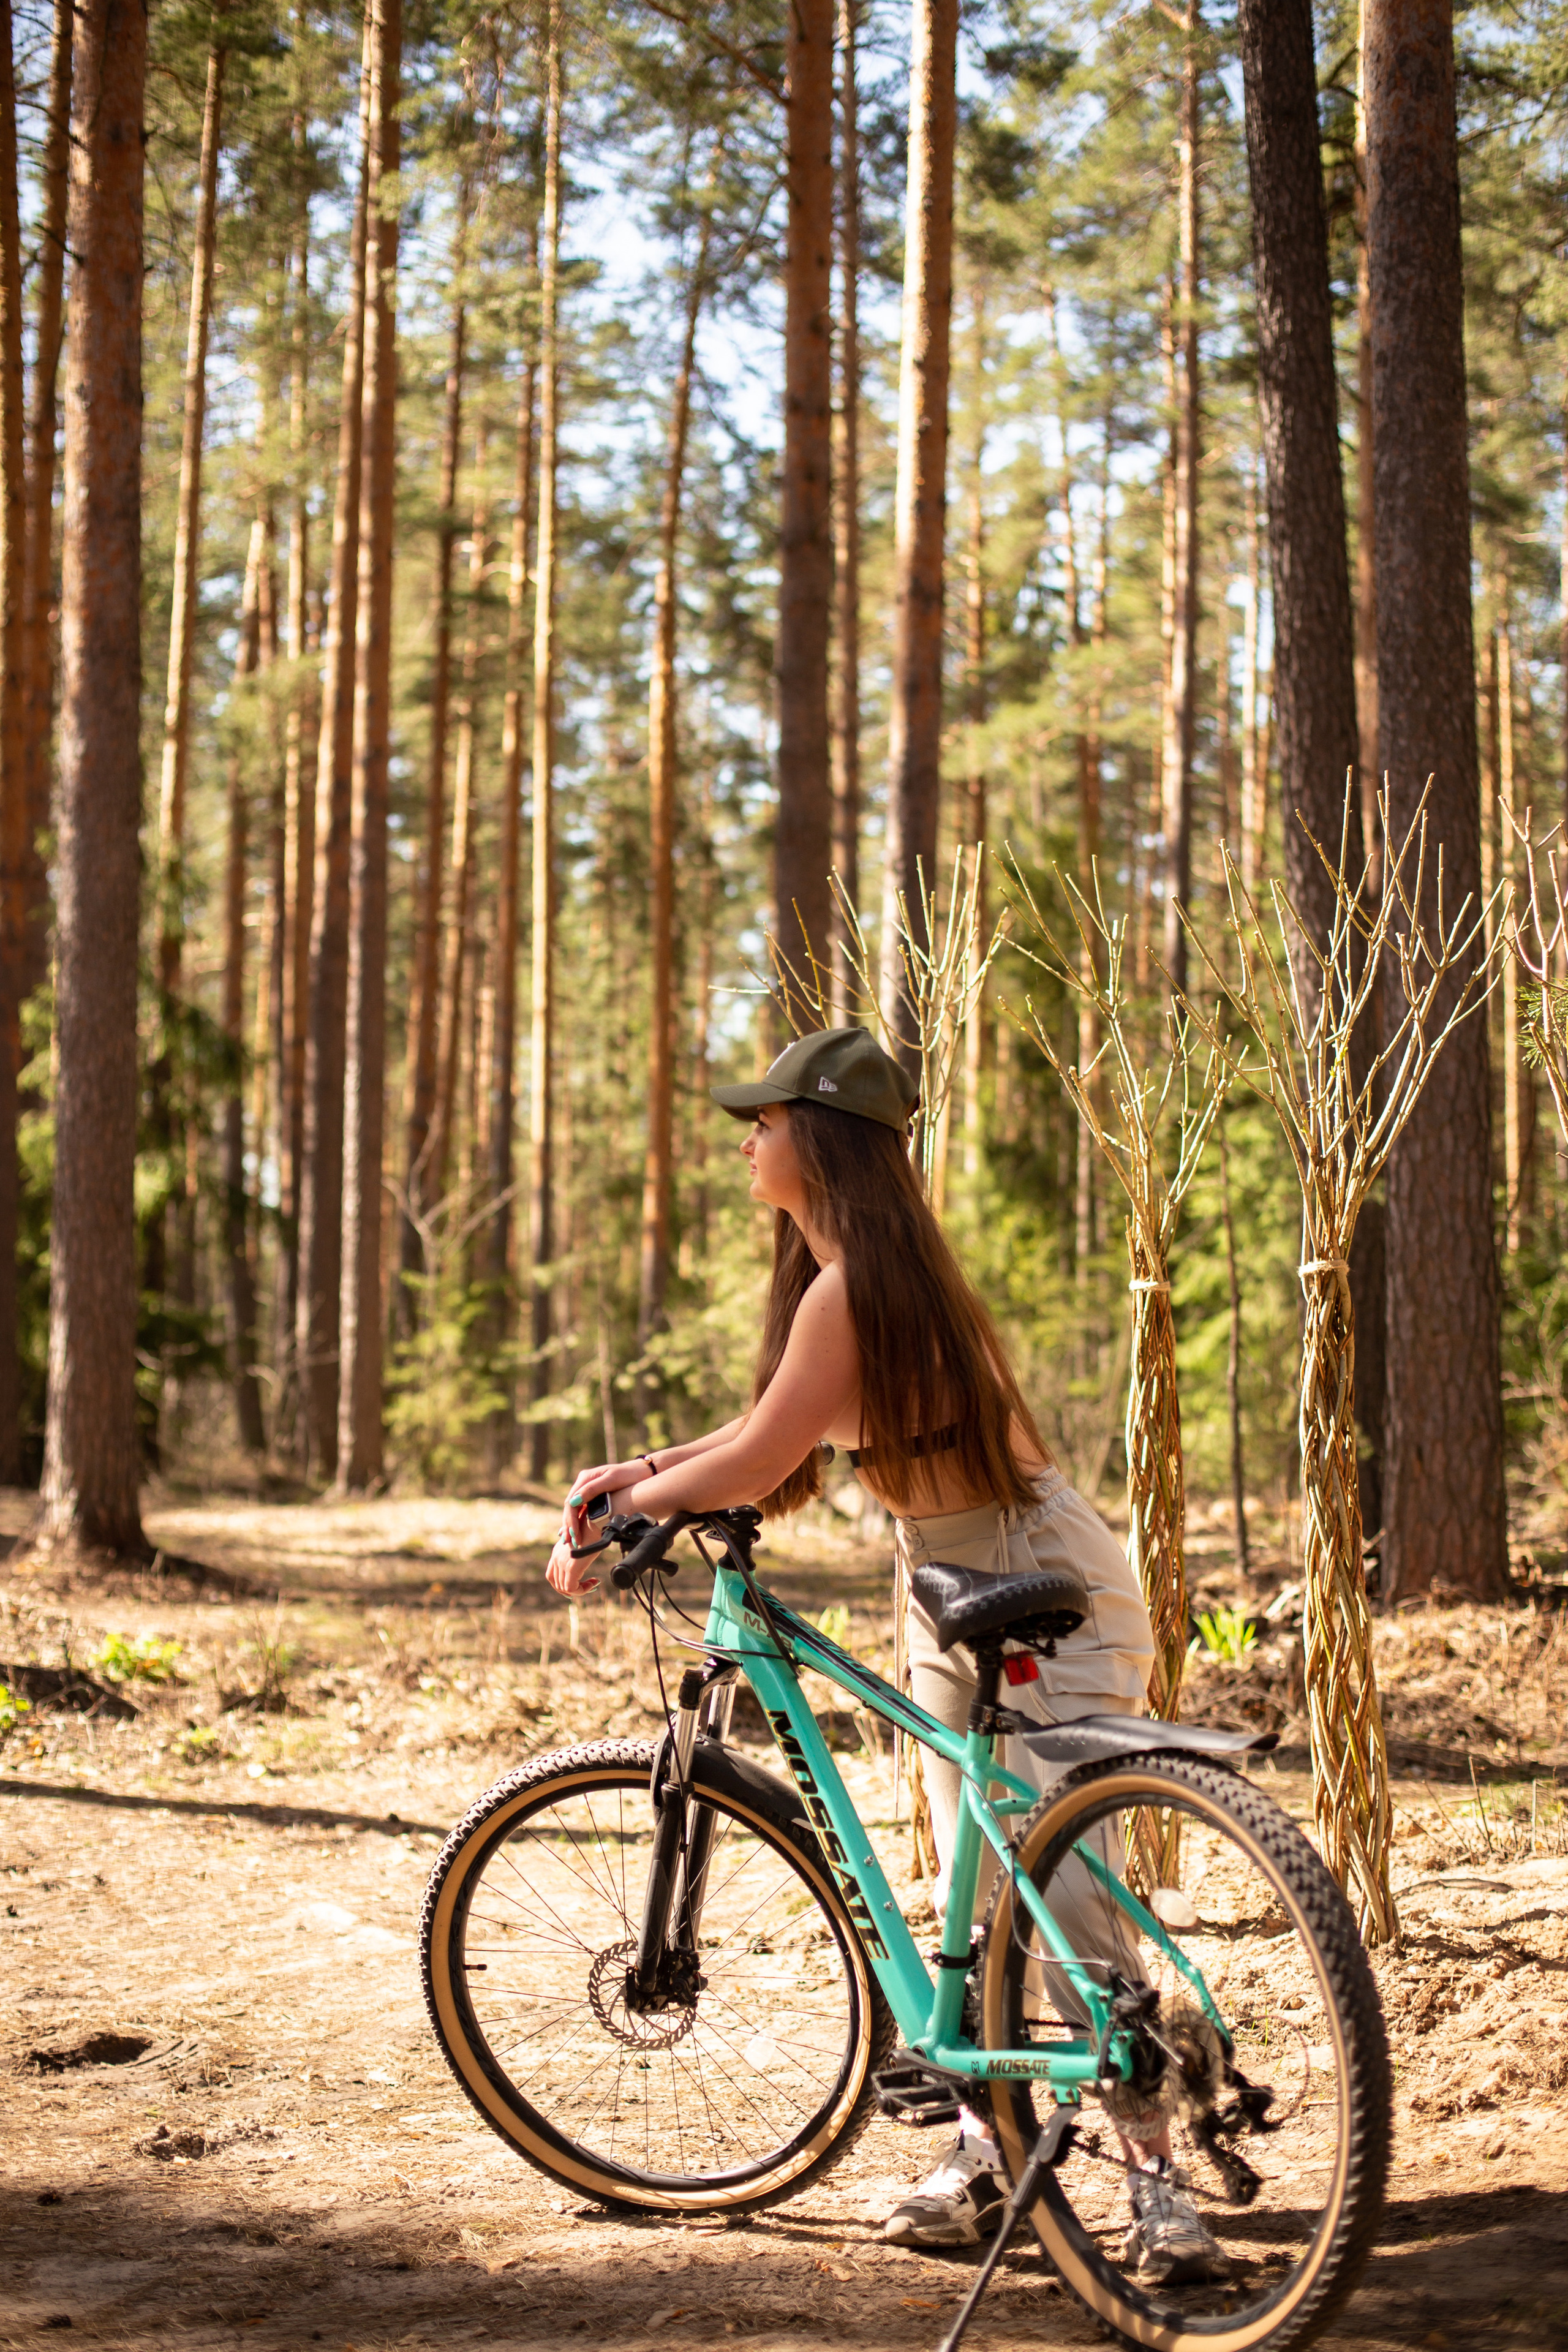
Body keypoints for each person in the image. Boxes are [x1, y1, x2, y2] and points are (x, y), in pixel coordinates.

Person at [547, 1025, 1226, 2285]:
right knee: (977, 1892)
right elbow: (775, 1432)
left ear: (820, 1140)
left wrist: (634, 1505)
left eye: (763, 1121)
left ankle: (1158, 2192)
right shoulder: (845, 1277)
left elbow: (760, 1461)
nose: (745, 1141)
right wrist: (634, 1475)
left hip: (1038, 1574)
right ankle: (984, 2155)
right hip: (949, 1576)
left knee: (1056, 1889)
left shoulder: (855, 1285)